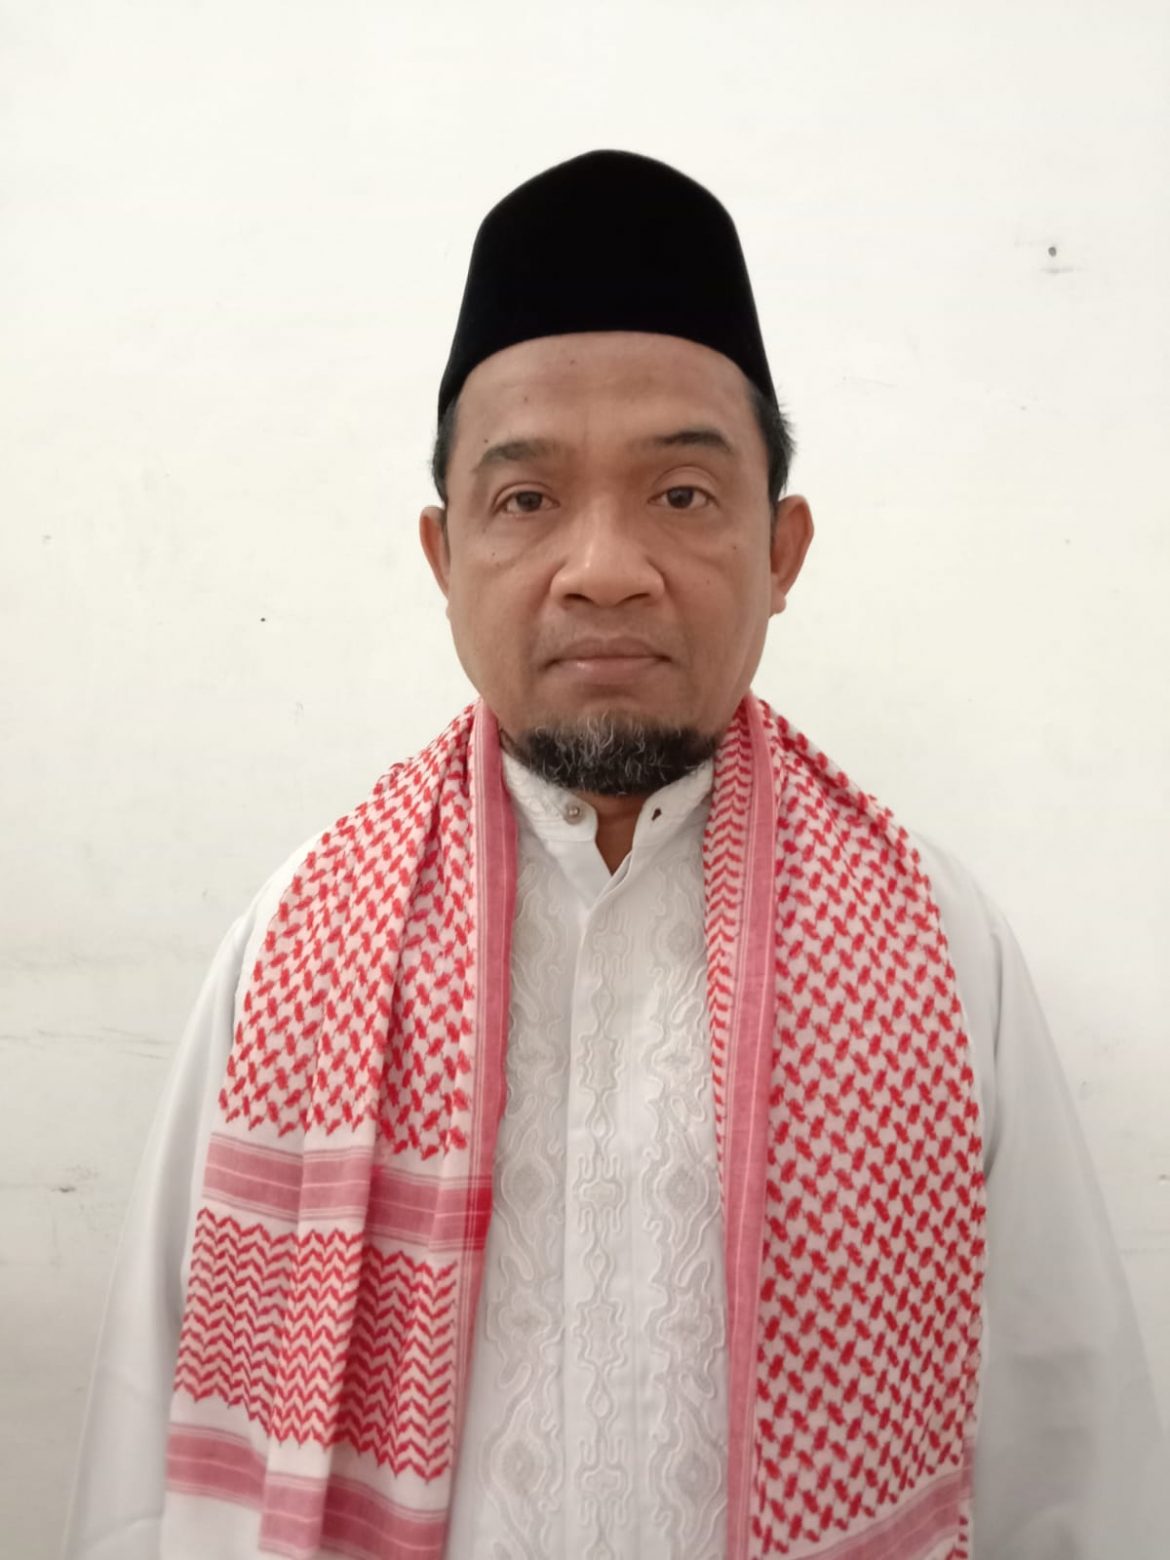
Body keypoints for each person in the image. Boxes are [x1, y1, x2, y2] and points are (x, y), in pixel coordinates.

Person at [62, 149, 1165, 1560]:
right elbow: (152, 1455)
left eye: (682, 495)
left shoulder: (938, 953)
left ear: (782, 551)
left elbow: (1070, 1459)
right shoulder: (294, 950)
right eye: (525, 500)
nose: (603, 568)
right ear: (442, 557)